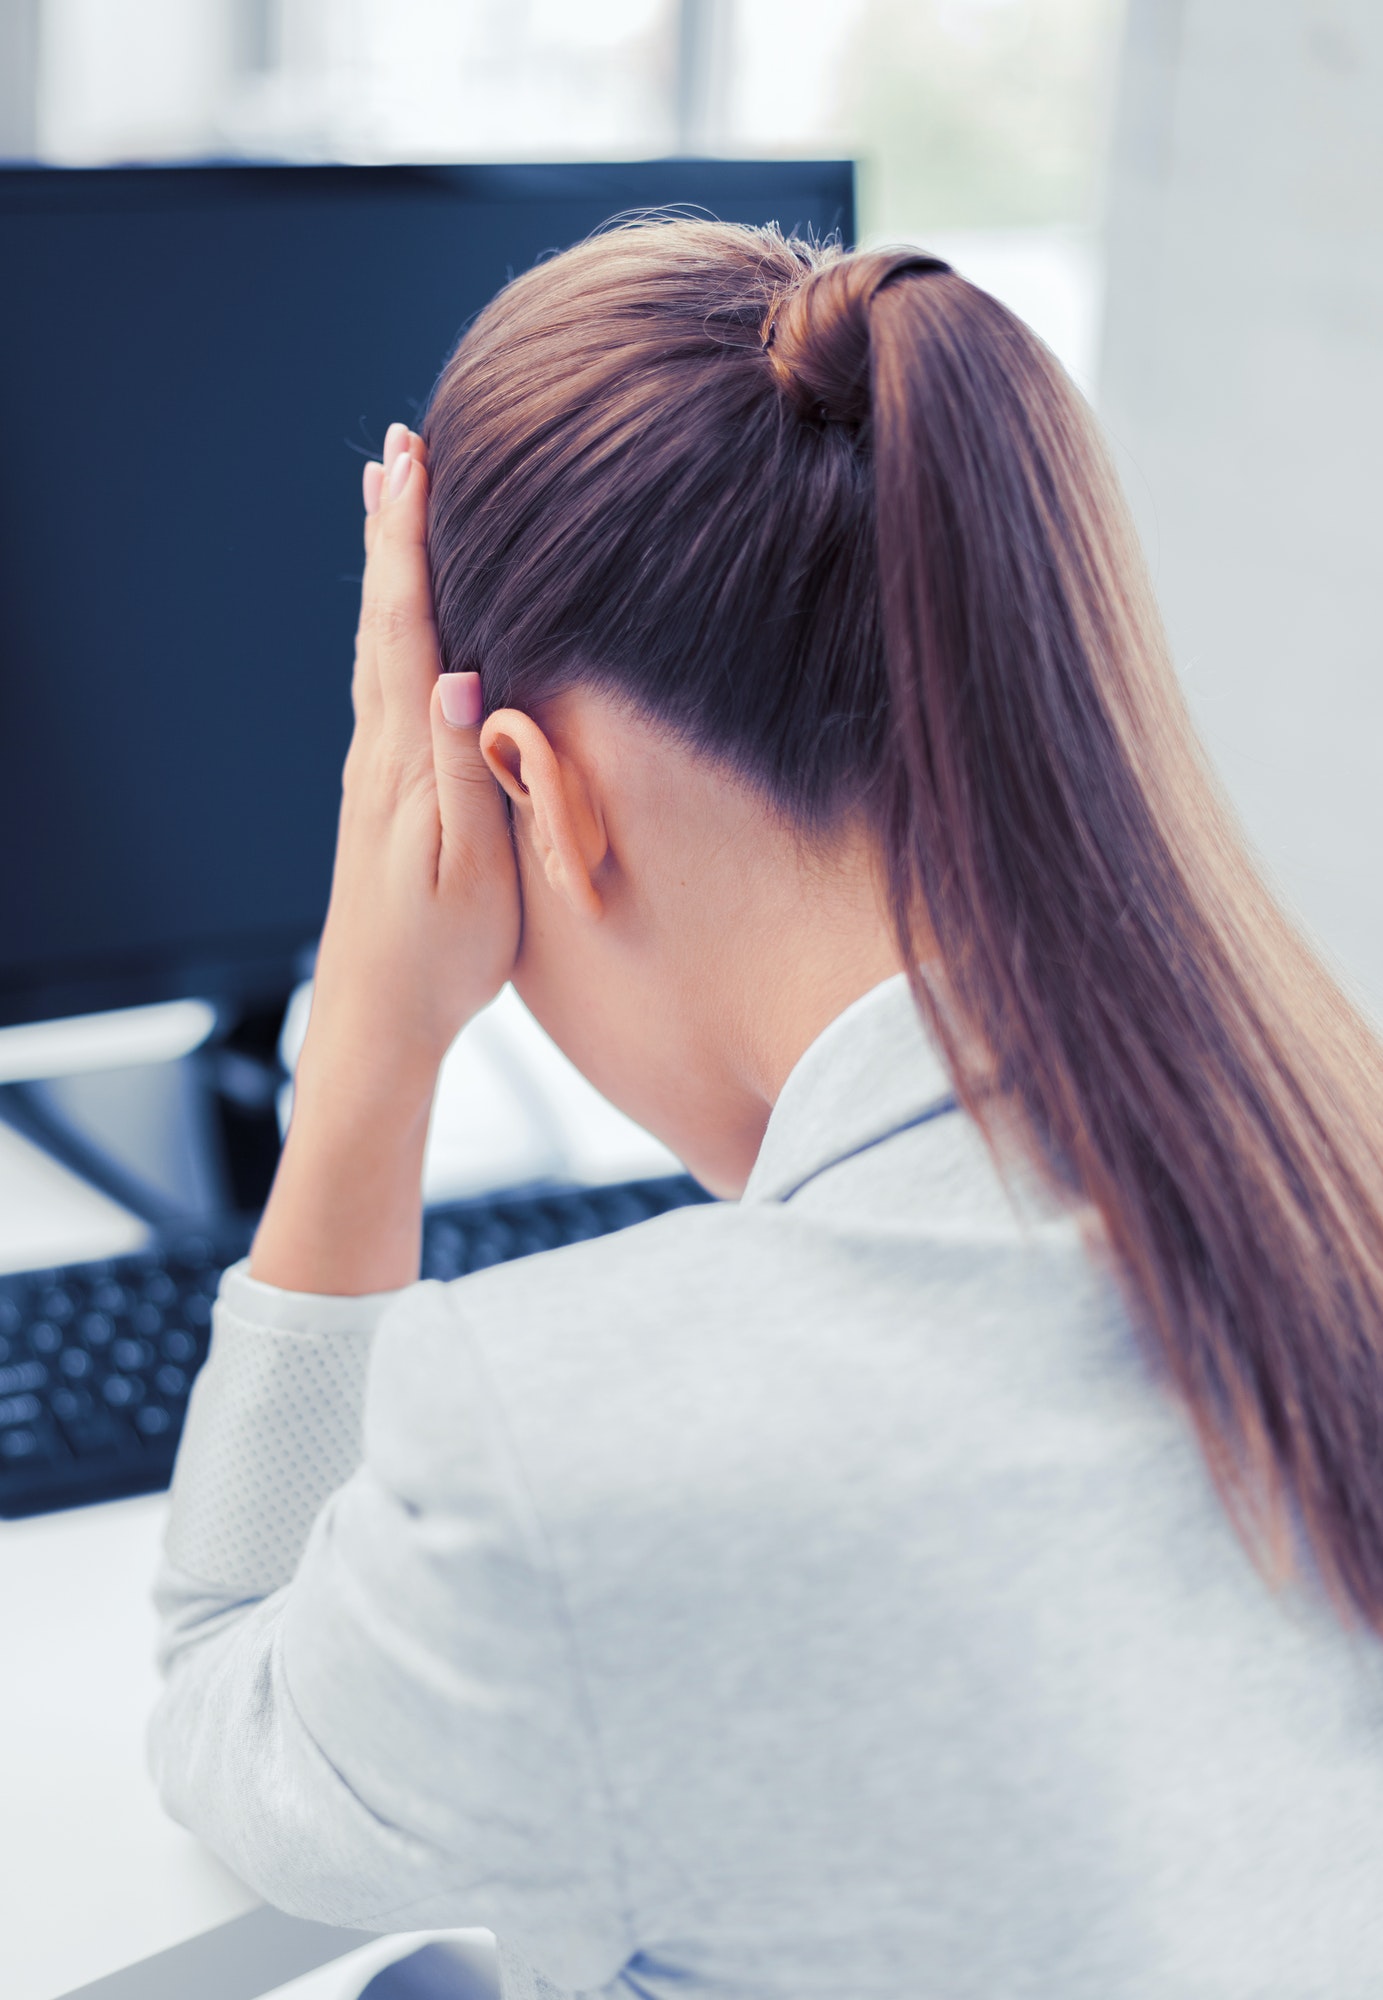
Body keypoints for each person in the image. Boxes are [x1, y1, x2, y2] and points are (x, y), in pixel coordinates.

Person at [149, 220, 1383, 1999]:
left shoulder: (568, 1440)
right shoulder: (1321, 1168)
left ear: (521, 791)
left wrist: (368, 1038)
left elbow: (232, 1706)